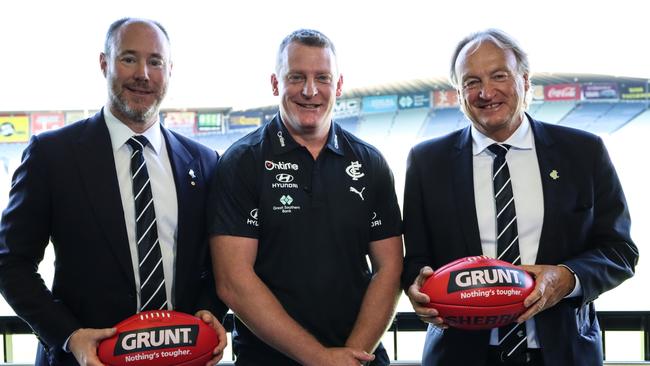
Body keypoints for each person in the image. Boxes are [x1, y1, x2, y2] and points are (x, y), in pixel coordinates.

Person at [402, 28, 638, 366]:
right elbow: (415, 259)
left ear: (525, 81)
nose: (486, 92)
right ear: (458, 92)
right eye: (471, 82)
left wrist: (566, 278)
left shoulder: (584, 153)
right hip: (459, 355)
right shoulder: (427, 161)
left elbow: (620, 251)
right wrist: (418, 286)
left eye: (499, 76)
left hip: (564, 354)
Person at [0, 17, 227, 365]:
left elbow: (219, 265)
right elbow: (11, 263)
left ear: (169, 70)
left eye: (155, 62)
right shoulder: (52, 155)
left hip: (180, 357)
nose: (143, 74)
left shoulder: (204, 161)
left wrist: (211, 313)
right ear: (104, 63)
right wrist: (69, 337)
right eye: (128, 59)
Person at [208, 29, 403, 366]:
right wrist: (318, 358)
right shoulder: (242, 162)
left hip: (358, 356)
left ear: (338, 86)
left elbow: (389, 267)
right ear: (275, 83)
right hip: (267, 359)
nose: (310, 91)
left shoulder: (370, 162)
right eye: (296, 77)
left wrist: (349, 357)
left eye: (322, 78)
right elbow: (233, 281)